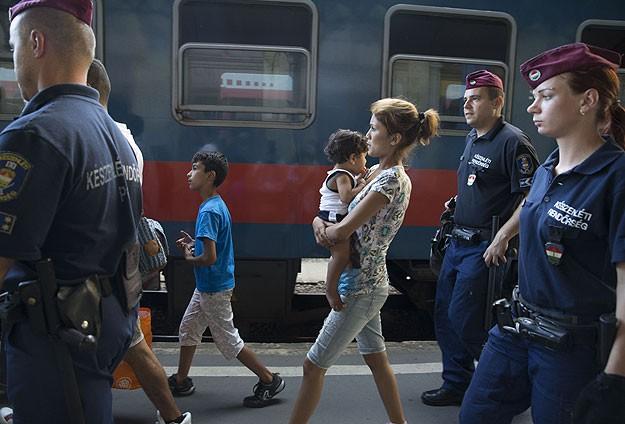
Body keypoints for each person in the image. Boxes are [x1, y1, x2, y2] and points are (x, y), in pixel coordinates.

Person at [459, 42, 625, 424]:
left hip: (571, 349)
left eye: (545, 96)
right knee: (475, 415)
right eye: (534, 97)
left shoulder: (615, 179)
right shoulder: (549, 167)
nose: (532, 107)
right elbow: (532, 210)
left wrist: (615, 377)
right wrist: (503, 234)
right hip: (516, 330)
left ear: (588, 101)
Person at [0, 1, 143, 423]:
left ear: (36, 42)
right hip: (102, 328)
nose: (14, 59)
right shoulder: (111, 135)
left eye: (13, 47)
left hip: (52, 343)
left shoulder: (35, 135)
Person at [289, 98, 440, 424]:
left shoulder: (390, 181)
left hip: (359, 287)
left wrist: (322, 226)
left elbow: (342, 228)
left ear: (395, 138)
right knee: (376, 359)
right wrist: (319, 222)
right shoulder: (374, 172)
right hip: (366, 281)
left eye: (374, 129)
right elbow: (332, 219)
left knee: (312, 366)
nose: (367, 135)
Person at [422, 70, 539, 407]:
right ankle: (457, 383)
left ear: (497, 102)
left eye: (475, 99)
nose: (467, 106)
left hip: (484, 248)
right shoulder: (474, 137)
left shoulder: (513, 142)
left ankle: (507, 388)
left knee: (467, 320)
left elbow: (530, 197)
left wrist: (503, 236)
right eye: (465, 100)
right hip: (457, 243)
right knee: (445, 316)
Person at [87, 59, 191, 424]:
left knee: (88, 357)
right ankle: (173, 416)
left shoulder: (92, 135)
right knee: (133, 344)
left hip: (97, 270)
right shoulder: (126, 139)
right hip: (123, 265)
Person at [169, 151, 285, 408]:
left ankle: (269, 379)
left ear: (210, 176)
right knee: (188, 328)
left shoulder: (208, 211)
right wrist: (194, 244)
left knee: (228, 340)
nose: (189, 173)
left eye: (195, 168)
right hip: (209, 285)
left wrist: (189, 257)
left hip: (213, 286)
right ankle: (180, 379)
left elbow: (208, 258)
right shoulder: (216, 204)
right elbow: (212, 249)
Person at [317, 129, 368, 311]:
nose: (366, 161)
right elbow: (346, 197)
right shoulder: (342, 175)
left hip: (332, 216)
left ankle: (338, 287)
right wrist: (363, 185)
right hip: (334, 218)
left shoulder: (345, 174)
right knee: (340, 256)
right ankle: (331, 291)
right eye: (364, 157)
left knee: (344, 256)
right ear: (353, 158)